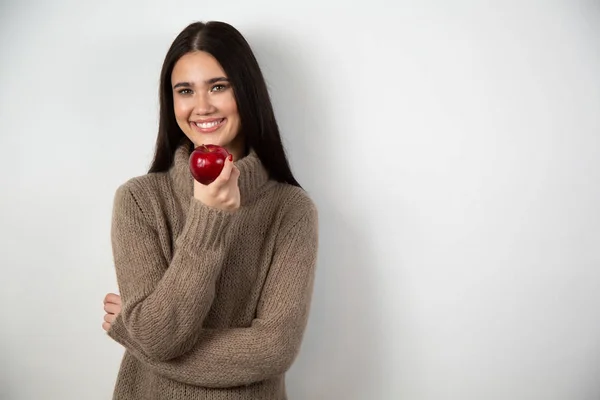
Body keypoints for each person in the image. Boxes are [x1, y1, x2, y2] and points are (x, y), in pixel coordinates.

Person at [101, 20, 319, 400]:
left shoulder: (291, 210)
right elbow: (160, 337)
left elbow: (274, 350)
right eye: (185, 90)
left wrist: (132, 332)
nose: (201, 107)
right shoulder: (138, 200)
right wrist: (208, 216)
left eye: (218, 86)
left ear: (246, 93)